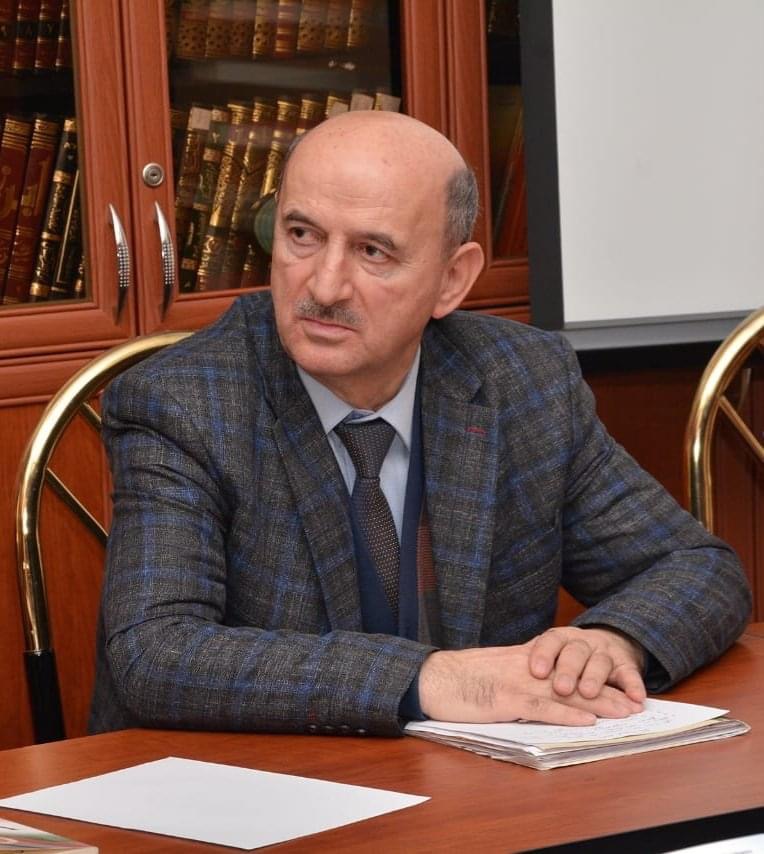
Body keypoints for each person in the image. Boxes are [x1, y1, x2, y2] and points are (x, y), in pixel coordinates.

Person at [90, 111, 751, 737]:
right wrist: (430, 680)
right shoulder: (183, 403)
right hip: (255, 788)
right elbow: (155, 653)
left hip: (477, 786)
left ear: (452, 280)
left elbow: (695, 567)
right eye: (302, 236)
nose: (323, 285)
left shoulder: (522, 382)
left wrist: (611, 641)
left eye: (373, 251)